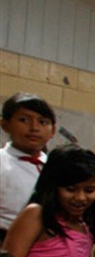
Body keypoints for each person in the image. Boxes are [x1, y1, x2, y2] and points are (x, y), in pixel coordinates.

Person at [0, 93, 56, 244]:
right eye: (24, 120)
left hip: (48, 249)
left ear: (53, 131)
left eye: (43, 122)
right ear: (5, 125)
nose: (34, 128)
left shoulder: (57, 167)